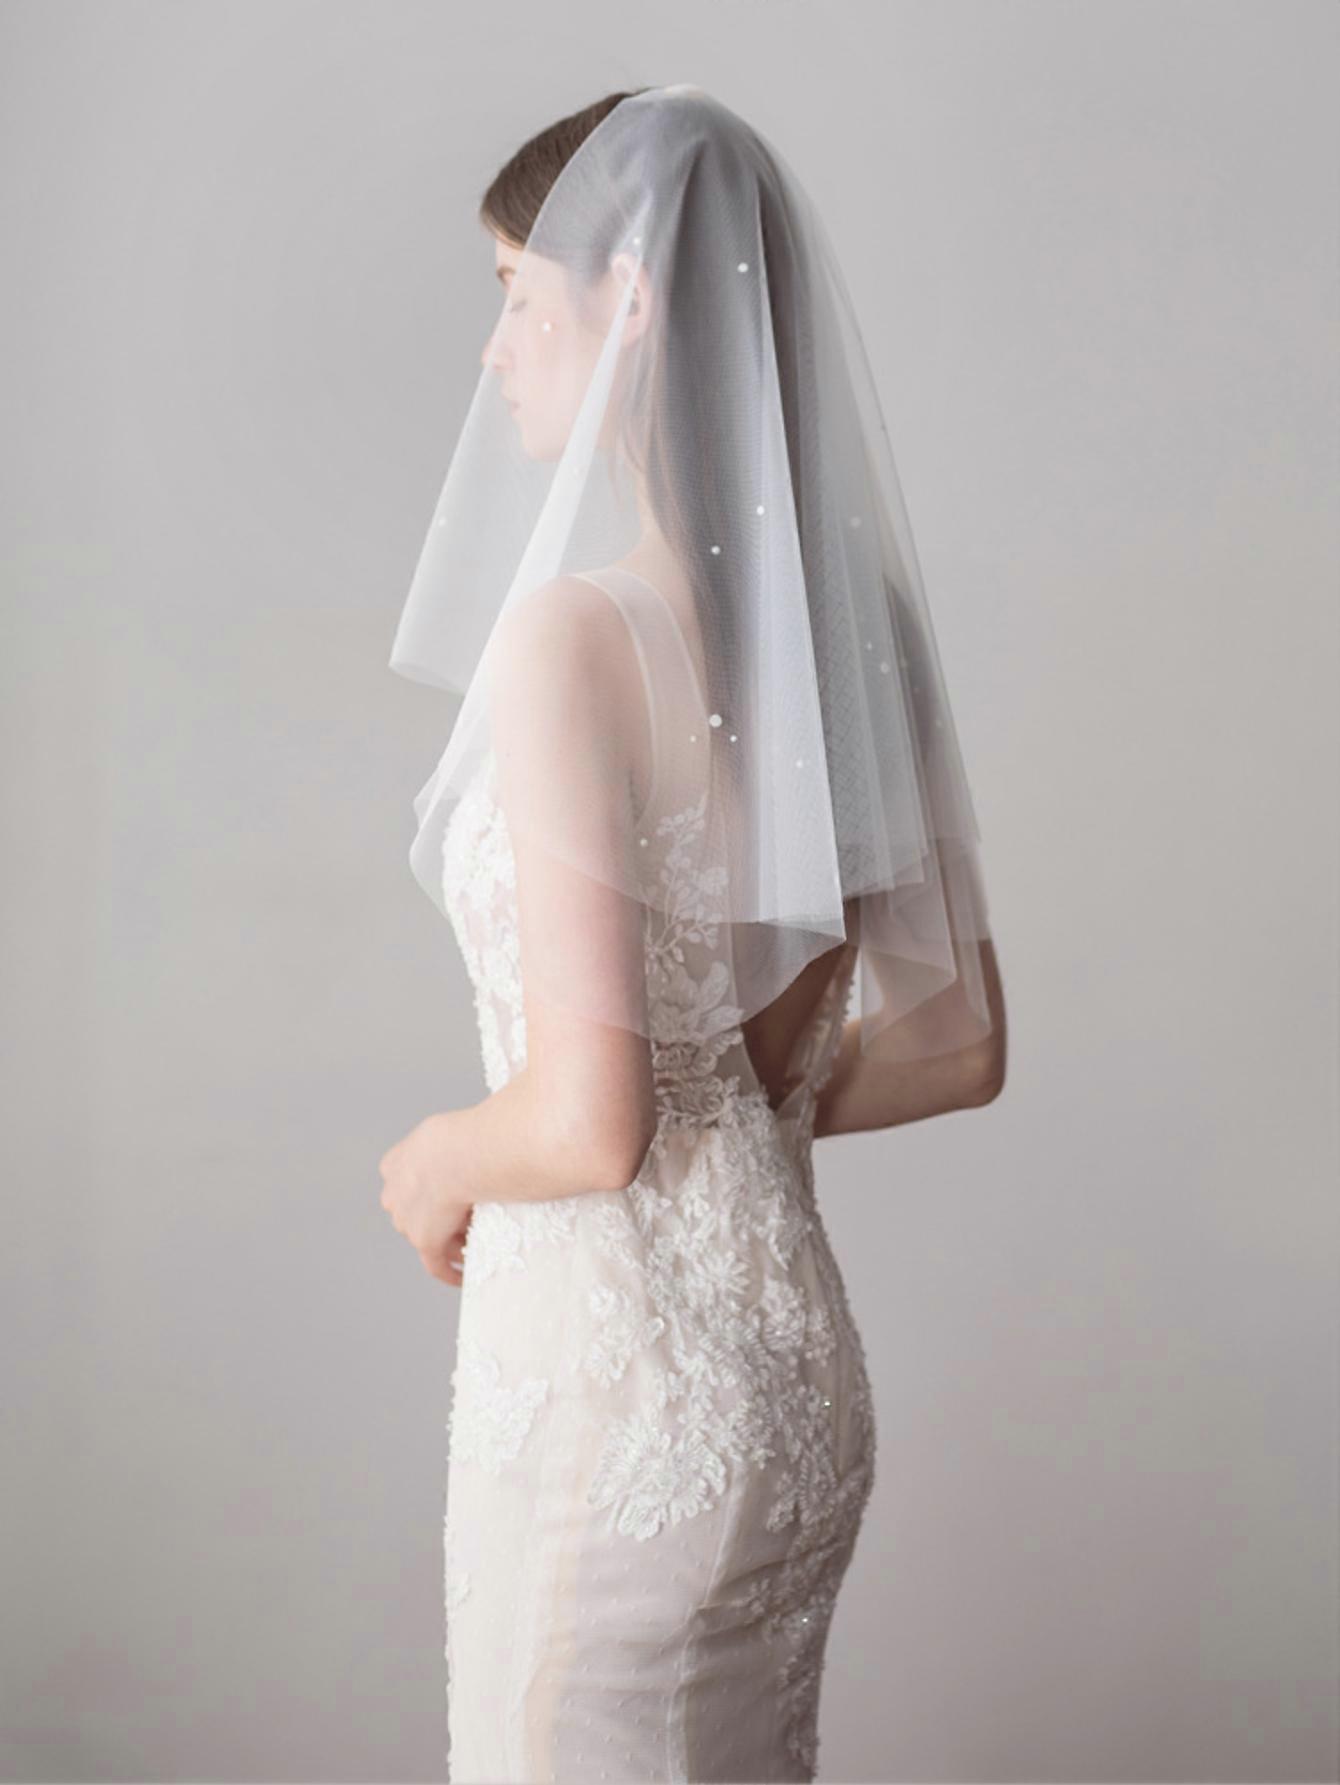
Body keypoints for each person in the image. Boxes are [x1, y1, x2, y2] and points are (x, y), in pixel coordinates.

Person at [379, 84, 1007, 1784]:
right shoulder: (854, 631)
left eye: (518, 295)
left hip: (619, 1400)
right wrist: (742, 1103)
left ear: (633, 298)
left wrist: (435, 1157)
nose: (496, 351)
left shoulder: (568, 643)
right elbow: (960, 1042)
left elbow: (593, 1124)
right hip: (794, 1388)